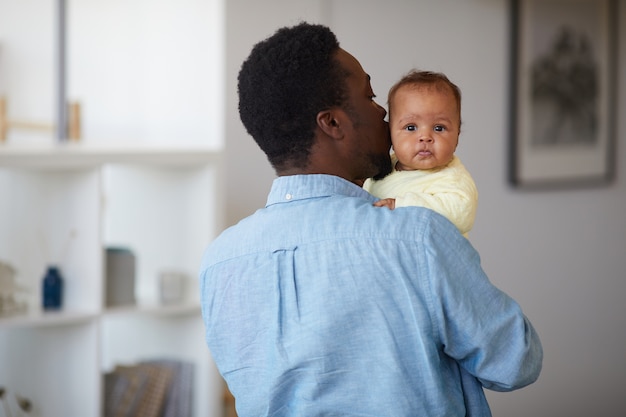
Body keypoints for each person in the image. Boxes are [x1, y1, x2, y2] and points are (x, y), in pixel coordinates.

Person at [199, 22, 542, 417]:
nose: (384, 112)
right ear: (332, 123)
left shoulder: (218, 262)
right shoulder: (418, 236)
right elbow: (517, 362)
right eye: (371, 95)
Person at [363, 70, 477, 238]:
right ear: (390, 133)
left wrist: (402, 205)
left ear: (457, 134)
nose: (425, 137)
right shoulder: (383, 169)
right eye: (411, 127)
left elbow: (462, 212)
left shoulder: (452, 177)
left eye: (439, 128)